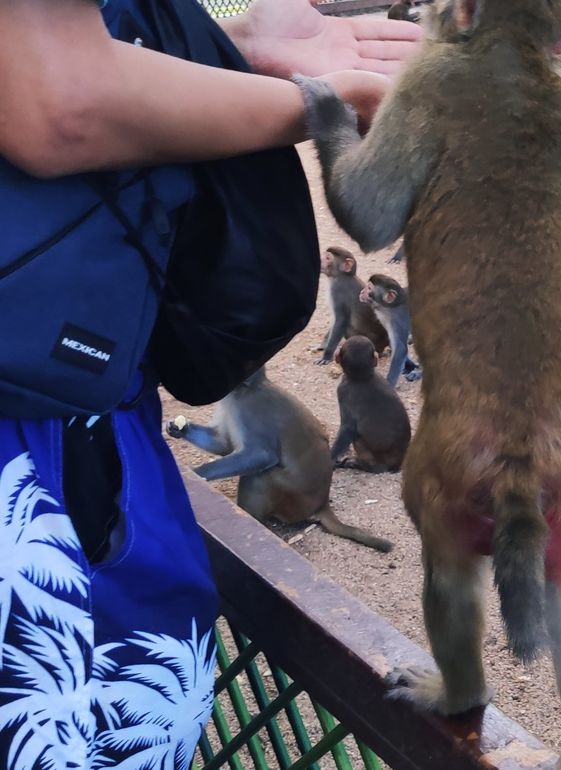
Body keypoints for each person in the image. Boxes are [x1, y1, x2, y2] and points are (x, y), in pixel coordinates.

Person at [0, 0, 421, 767]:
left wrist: (219, 44)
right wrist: (319, 105)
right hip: (35, 419)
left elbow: (49, 56)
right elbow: (55, 97)